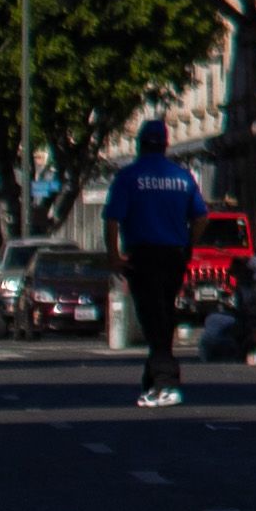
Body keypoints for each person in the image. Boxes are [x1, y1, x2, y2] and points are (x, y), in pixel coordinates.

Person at [109, 117, 211, 406]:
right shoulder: (181, 177)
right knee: (163, 313)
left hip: (143, 254)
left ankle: (166, 381)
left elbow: (113, 219)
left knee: (153, 317)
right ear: (166, 145)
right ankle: (152, 382)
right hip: (174, 255)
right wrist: (189, 244)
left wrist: (114, 256)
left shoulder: (129, 176)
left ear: (140, 144)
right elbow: (201, 217)